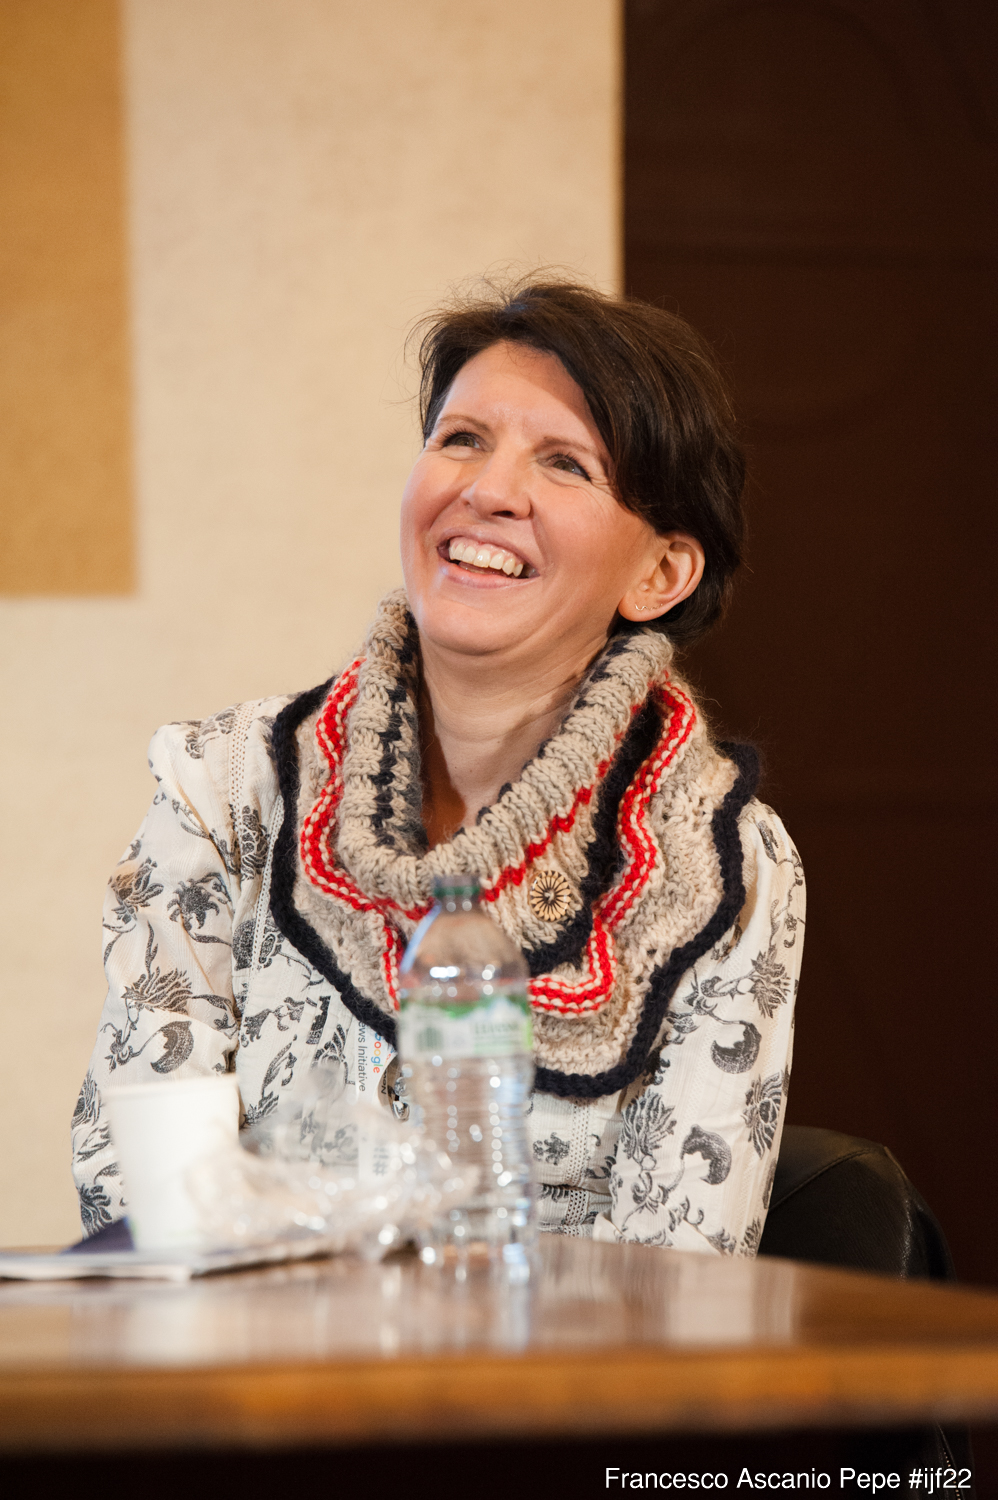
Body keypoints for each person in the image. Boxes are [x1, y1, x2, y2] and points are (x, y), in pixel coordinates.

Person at [73, 279, 804, 1254]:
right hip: (250, 1351)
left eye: (565, 463)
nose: (488, 491)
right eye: (461, 439)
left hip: (556, 1358)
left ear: (659, 573)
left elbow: (682, 1276)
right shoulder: (226, 785)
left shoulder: (730, 868)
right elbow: (138, 1195)